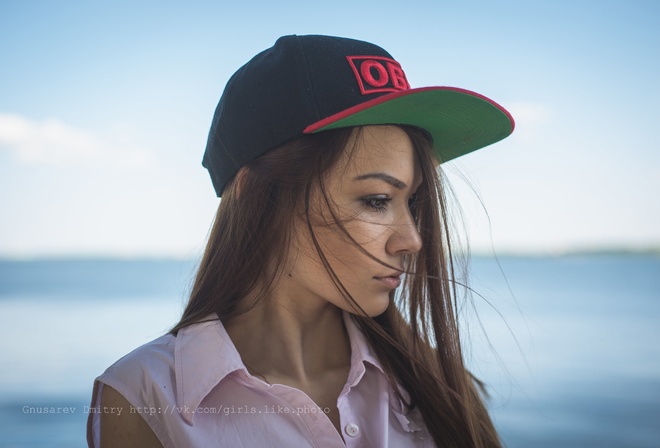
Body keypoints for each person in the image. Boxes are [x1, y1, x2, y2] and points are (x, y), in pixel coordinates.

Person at [86, 34, 514, 447]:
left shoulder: (439, 383)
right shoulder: (142, 399)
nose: (412, 240)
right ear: (261, 195)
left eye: (413, 201)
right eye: (377, 200)